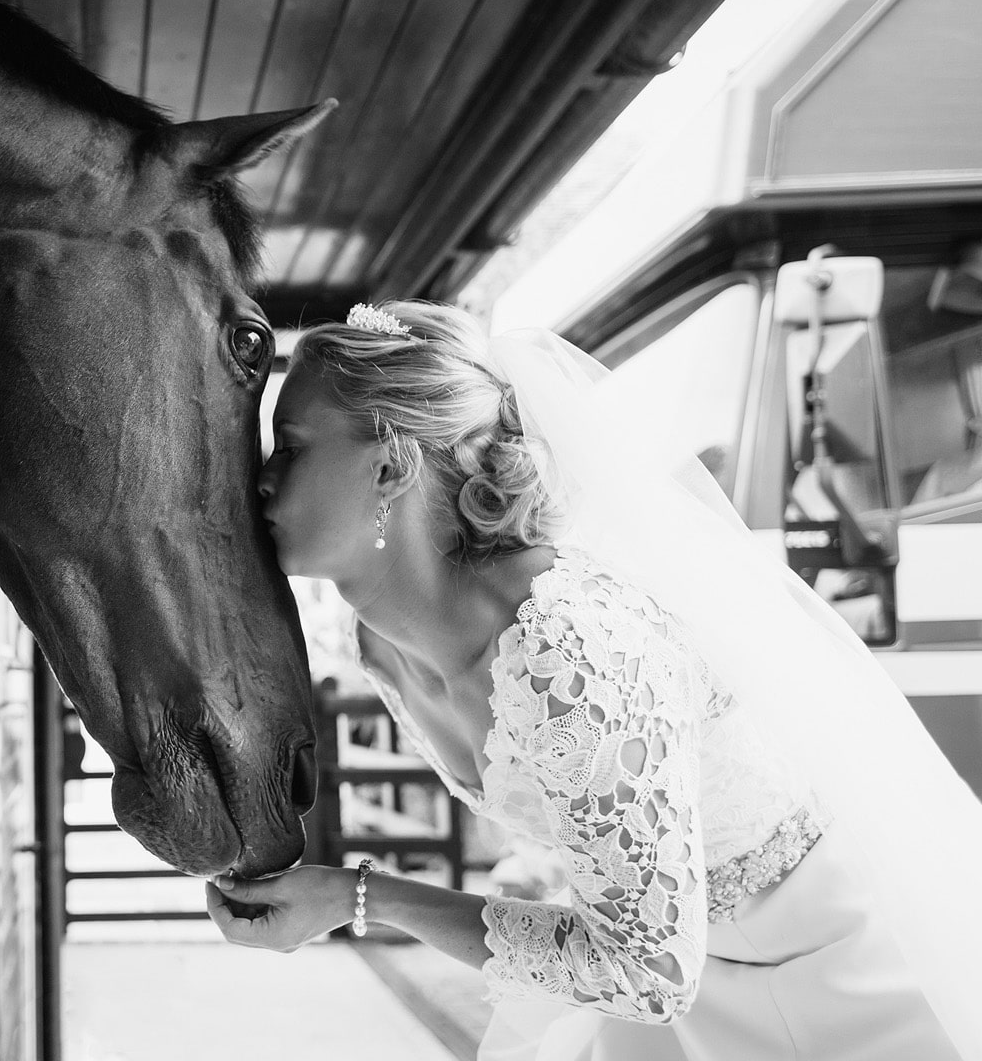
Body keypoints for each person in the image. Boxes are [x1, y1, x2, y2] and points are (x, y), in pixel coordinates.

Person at [206, 301, 982, 1060]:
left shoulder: (570, 645)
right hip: (673, 986)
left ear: (387, 464)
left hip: (831, 976)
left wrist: (356, 896)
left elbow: (649, 969)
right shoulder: (379, 643)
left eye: (290, 445)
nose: (261, 482)